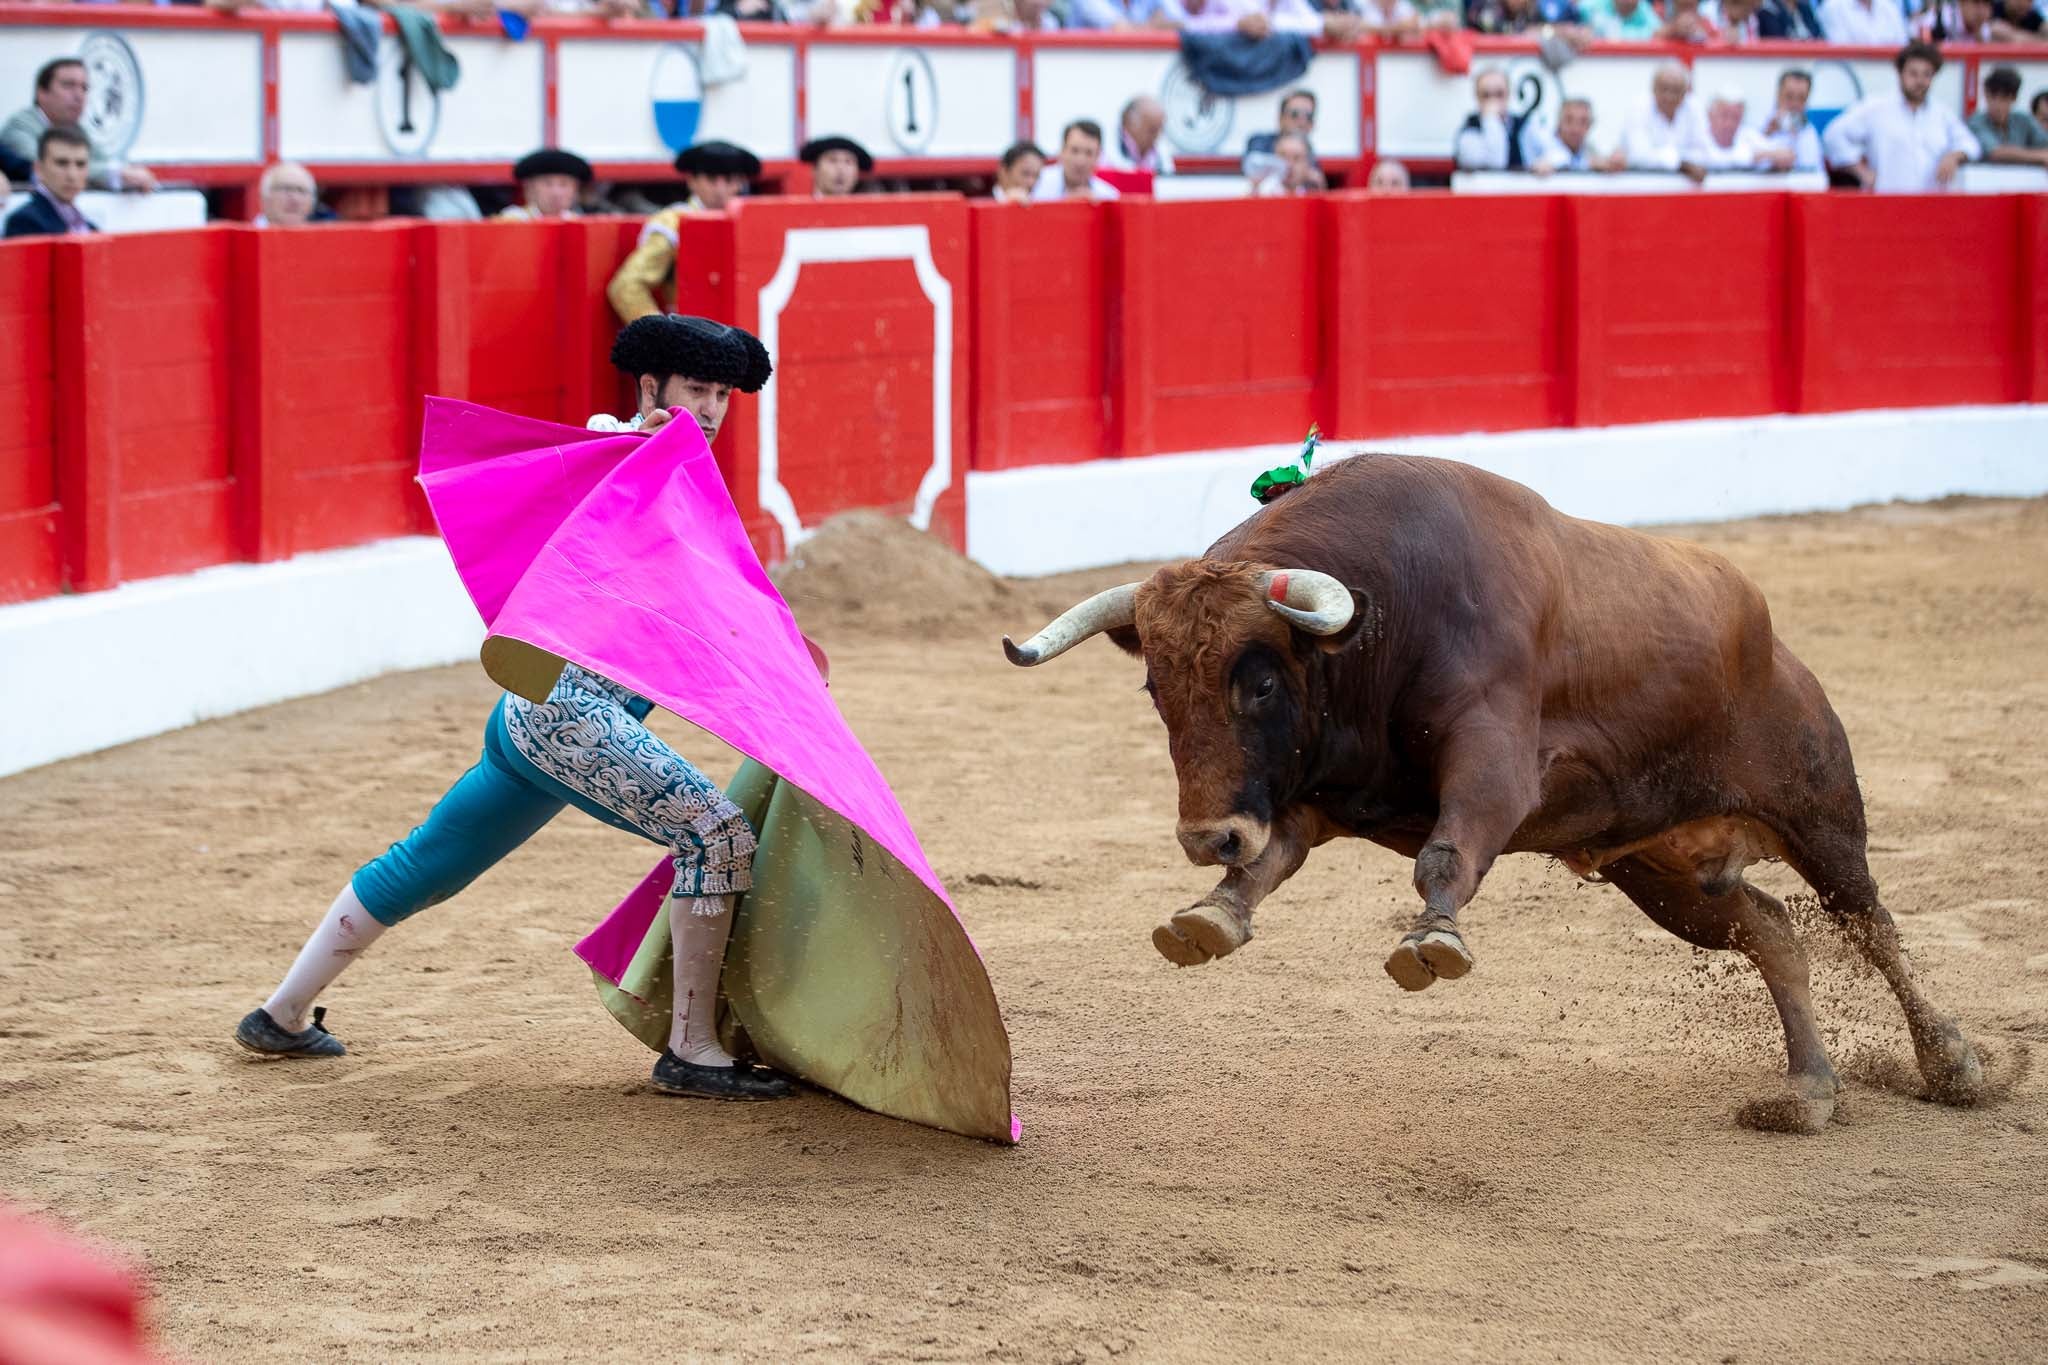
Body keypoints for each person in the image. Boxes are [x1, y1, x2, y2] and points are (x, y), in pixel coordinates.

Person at [236, 315, 794, 1103]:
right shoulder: (621, 452)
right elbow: (603, 459)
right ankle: (692, 1049)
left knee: (428, 862)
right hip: (568, 714)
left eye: (721, 395)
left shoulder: (689, 480)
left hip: (531, 717)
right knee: (716, 833)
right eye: (694, 390)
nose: (708, 408)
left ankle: (281, 1013)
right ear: (649, 389)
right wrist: (629, 438)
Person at [606, 140, 760, 324]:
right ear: (692, 182)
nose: (720, 189)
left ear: (739, 184)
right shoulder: (672, 222)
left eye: (729, 180)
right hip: (691, 332)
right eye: (711, 180)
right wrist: (663, 334)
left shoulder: (748, 221)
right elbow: (626, 285)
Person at [1824, 42, 1981, 192]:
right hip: (1886, 203)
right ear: (1900, 73)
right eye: (1913, 73)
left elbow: (1971, 144)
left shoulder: (1942, 113)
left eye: (1927, 74)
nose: (1920, 81)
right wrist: (1861, 171)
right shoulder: (1876, 108)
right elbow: (1834, 135)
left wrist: (1954, 156)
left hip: (1931, 205)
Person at [1, 59, 157, 195]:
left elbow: (107, 162)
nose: (79, 95)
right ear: (41, 92)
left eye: (84, 88)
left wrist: (126, 172)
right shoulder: (19, 127)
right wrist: (116, 175)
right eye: (68, 86)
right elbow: (49, 169)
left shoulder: (76, 130)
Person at [1622, 62, 1710, 181]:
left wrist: (1681, 162)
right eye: (1664, 89)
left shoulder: (1694, 107)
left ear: (1685, 92)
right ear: (1653, 88)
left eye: (1676, 90)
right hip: (1643, 183)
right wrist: (1682, 164)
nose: (1669, 96)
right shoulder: (1638, 107)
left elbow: (1703, 151)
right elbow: (1639, 155)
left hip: (1684, 189)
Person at [4, 126, 97, 239]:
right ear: (39, 169)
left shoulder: (91, 227)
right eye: (61, 163)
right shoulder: (24, 222)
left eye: (80, 164)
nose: (72, 175)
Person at [1453, 67, 1545, 171]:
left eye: (1499, 94)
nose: (1493, 101)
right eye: (1486, 95)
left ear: (1508, 94)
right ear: (1477, 97)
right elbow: (1495, 163)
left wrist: (1548, 161)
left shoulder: (1525, 126)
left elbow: (1558, 152)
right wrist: (1491, 119)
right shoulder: (1469, 132)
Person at [1967, 67, 2048, 166]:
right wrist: (2040, 156)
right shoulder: (1976, 122)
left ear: (2014, 98)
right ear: (1985, 94)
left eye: (2003, 99)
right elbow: (1995, 153)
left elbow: (2044, 142)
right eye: (1992, 97)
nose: (1996, 105)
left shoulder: (2023, 120)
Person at [1530, 97, 1627, 173]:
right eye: (1569, 120)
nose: (1575, 128)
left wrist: (1612, 162)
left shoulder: (1590, 150)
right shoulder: (1542, 144)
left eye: (1583, 122)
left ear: (1590, 125)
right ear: (1559, 122)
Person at [1243, 89, 1324, 181]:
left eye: (1308, 116)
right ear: (1280, 118)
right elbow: (1254, 166)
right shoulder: (1260, 142)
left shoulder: (1309, 152)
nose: (1302, 121)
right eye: (1295, 114)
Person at [1031, 120, 1121, 201]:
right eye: (1075, 151)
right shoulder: (1035, 184)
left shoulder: (1109, 197)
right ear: (1062, 151)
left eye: (1088, 153)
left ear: (1098, 157)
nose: (1080, 161)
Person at [1755, 69, 1825, 171]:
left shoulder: (1809, 132)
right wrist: (1766, 134)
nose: (1795, 104)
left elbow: (1815, 175)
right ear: (1778, 94)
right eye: (1789, 96)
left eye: (1801, 98)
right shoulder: (1758, 123)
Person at [498, 148, 594, 221]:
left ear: (575, 190)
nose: (556, 193)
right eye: (547, 184)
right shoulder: (512, 220)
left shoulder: (579, 222)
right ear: (530, 189)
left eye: (564, 184)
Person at [1102, 96, 1176, 175]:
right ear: (1130, 123)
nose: (1157, 136)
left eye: (1160, 130)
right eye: (1152, 130)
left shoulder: (1161, 153)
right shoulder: (1105, 148)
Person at [251, 161, 326, 227]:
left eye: (301, 191)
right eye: (286, 189)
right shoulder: (244, 239)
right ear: (264, 197)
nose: (295, 199)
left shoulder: (321, 240)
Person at [800, 135, 873, 197]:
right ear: (814, 170)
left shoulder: (868, 212)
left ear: (857, 173)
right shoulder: (798, 211)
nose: (841, 169)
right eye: (833, 160)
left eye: (848, 162)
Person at [1252, 131, 1323, 195]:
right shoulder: (1258, 193)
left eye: (1296, 158)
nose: (1289, 164)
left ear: (1308, 164)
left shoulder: (1314, 193)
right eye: (1283, 157)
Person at [1817, 0, 1909, 44]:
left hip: (1890, 74)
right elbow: (1840, 48)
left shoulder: (1889, 7)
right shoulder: (1833, 7)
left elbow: (1902, 45)